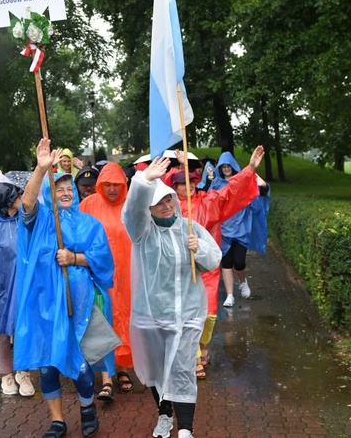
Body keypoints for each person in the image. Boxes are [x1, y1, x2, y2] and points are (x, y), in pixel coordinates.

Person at [14, 138, 115, 438]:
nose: (67, 192)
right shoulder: (42, 220)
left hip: (80, 308)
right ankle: (57, 420)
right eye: (59, 188)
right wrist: (41, 168)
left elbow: (103, 259)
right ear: (51, 193)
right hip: (46, 308)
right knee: (48, 368)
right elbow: (28, 204)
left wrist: (74, 257)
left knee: (82, 369)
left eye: (69, 188)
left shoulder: (89, 224)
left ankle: (87, 407)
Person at [122, 156, 221, 438]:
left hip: (187, 313)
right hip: (151, 315)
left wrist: (198, 248)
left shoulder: (189, 228)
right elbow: (131, 213)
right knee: (156, 370)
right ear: (149, 209)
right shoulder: (141, 232)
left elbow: (213, 261)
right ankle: (164, 415)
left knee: (181, 368)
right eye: (158, 203)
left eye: (168, 200)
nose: (166, 206)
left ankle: (186, 429)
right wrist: (143, 181)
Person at [170, 146, 265, 378]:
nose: (189, 185)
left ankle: (202, 347)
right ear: (174, 187)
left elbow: (230, 190)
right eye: (182, 183)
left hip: (207, 268)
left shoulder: (208, 202)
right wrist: (181, 167)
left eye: (191, 181)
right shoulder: (168, 207)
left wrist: (250, 168)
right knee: (187, 315)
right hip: (181, 272)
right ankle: (192, 357)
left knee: (210, 314)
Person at [80, 162, 135, 402]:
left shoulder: (132, 206)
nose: (112, 189)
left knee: (125, 319)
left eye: (116, 184)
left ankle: (122, 369)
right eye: (107, 184)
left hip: (128, 276)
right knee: (103, 320)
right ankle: (106, 379)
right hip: (100, 276)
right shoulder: (89, 205)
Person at [0, 182, 35, 397]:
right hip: (0, 288)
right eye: (17, 198)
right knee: (0, 330)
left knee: (23, 328)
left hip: (23, 285)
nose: (22, 200)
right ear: (9, 202)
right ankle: (6, 374)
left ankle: (23, 371)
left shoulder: (24, 221)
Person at [209, 151, 271, 307]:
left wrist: (263, 186)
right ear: (220, 168)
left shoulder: (242, 181)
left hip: (241, 228)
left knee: (239, 262)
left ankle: (243, 281)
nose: (226, 168)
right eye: (223, 166)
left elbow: (258, 192)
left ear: (233, 166)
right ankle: (230, 295)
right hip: (224, 229)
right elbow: (209, 202)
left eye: (228, 165)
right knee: (227, 262)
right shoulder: (216, 184)